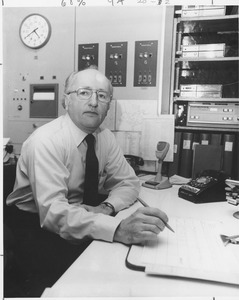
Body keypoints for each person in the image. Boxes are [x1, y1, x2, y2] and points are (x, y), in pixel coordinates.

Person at [6, 68, 168, 295]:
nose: (93, 102)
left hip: (83, 214)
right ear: (66, 100)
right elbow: (54, 213)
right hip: (35, 226)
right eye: (84, 93)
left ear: (108, 105)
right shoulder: (45, 141)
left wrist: (106, 208)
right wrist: (118, 228)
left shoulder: (104, 137)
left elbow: (129, 182)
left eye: (102, 96)